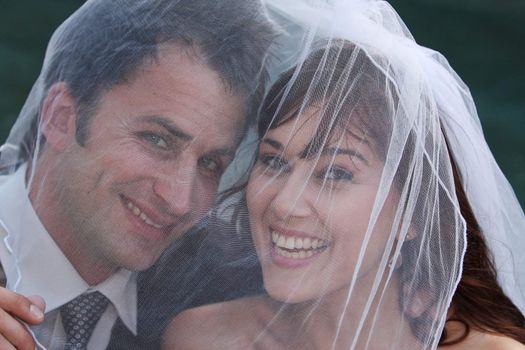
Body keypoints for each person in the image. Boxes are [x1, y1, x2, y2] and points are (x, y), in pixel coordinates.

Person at [161, 0, 525, 349]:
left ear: (412, 212)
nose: (285, 204)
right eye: (274, 161)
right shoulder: (201, 338)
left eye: (335, 173)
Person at [0, 0, 273, 349]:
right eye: (157, 140)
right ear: (61, 117)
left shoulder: (223, 304)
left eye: (210, 164)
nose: (178, 201)